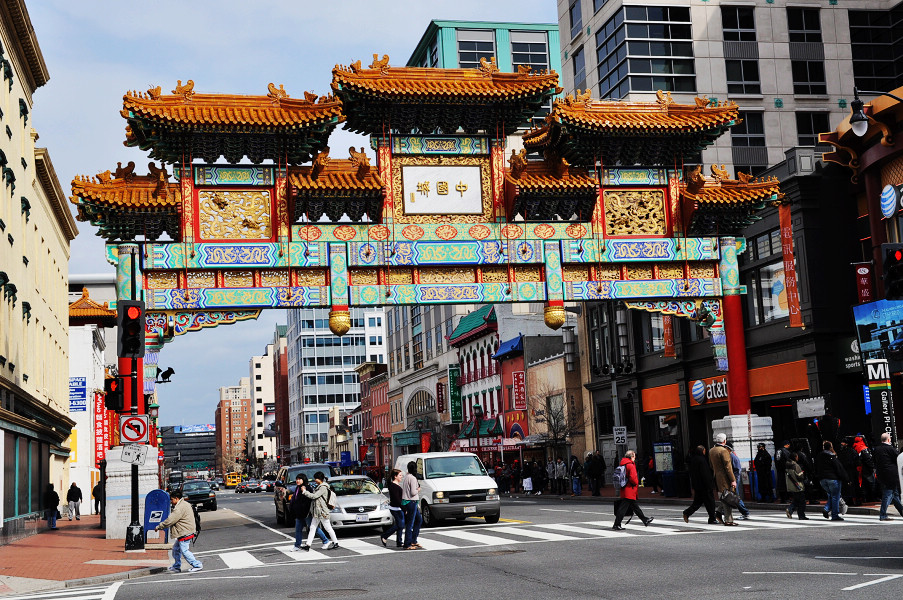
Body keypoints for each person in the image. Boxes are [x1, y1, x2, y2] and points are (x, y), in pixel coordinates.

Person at [154, 489, 202, 572]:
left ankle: (197, 565)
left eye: (172, 499)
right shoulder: (185, 504)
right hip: (186, 531)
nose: (171, 501)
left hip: (184, 532)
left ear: (176, 498)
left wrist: (159, 526)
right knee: (176, 549)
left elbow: (170, 520)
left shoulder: (179, 508)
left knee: (184, 551)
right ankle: (176, 566)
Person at [298, 472, 340, 551]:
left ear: (319, 479)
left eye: (316, 478)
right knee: (312, 527)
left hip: (322, 512)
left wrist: (304, 491)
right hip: (317, 511)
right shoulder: (319, 487)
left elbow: (314, 496)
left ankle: (336, 542)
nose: (315, 480)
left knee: (327, 527)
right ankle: (308, 545)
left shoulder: (323, 487)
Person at [612, 450, 653, 530]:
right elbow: (633, 478)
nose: (635, 458)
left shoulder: (623, 464)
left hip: (625, 489)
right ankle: (616, 524)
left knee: (635, 507)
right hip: (630, 489)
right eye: (634, 456)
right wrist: (636, 483)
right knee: (623, 509)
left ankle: (645, 520)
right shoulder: (630, 465)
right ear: (631, 457)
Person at [290, 473, 327, 550]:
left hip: (306, 513)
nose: (297, 481)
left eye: (299, 479)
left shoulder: (307, 488)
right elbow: (295, 500)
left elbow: (309, 500)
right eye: (297, 479)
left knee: (313, 528)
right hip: (299, 513)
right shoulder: (297, 488)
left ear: (303, 480)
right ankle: (297, 545)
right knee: (298, 530)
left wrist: (305, 510)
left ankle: (325, 540)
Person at [871, 432, 903, 521]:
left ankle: (902, 511)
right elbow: (898, 459)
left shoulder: (876, 449)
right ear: (889, 439)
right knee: (888, 494)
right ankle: (883, 514)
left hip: (881, 474)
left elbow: (873, 461)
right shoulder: (890, 449)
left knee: (895, 495)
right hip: (891, 475)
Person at [682, 445, 717, 524]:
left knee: (698, 502)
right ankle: (712, 518)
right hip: (705, 485)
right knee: (710, 502)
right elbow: (705, 474)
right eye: (704, 450)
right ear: (702, 451)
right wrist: (710, 484)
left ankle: (687, 512)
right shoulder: (702, 460)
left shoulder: (693, 459)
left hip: (697, 485)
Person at [815, 440, 848, 521]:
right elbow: (839, 468)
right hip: (833, 478)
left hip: (822, 479)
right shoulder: (832, 456)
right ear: (830, 447)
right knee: (835, 497)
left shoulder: (819, 457)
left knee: (831, 495)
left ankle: (827, 509)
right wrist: (846, 478)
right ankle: (834, 514)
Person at [710, 433, 737, 526]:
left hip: (716, 476)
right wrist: (733, 480)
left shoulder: (711, 450)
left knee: (724, 496)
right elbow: (728, 467)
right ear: (724, 441)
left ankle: (718, 512)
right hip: (725, 478)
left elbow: (711, 465)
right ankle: (728, 520)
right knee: (727, 498)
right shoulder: (724, 451)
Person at [380, 468, 405, 547]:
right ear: (395, 476)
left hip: (398, 508)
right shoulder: (394, 486)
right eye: (400, 475)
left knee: (400, 525)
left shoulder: (395, 485)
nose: (401, 476)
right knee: (400, 525)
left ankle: (399, 542)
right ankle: (385, 536)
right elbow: (397, 500)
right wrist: (404, 508)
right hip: (395, 508)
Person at [401, 461, 422, 550]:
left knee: (418, 520)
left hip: (408, 502)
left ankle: (413, 540)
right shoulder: (413, 478)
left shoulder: (406, 477)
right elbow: (413, 492)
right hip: (412, 501)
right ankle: (407, 544)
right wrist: (418, 490)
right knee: (411, 523)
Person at [726, 444, 750, 519]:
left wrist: (734, 480)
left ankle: (745, 512)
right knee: (730, 496)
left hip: (734, 480)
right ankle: (722, 512)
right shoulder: (729, 456)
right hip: (731, 480)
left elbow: (737, 470)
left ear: (728, 449)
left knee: (735, 497)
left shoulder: (733, 457)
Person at [837, 437, 861, 506]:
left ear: (846, 444)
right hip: (850, 471)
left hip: (849, 471)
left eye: (843, 442)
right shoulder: (852, 451)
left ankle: (852, 501)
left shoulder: (843, 452)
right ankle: (854, 501)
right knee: (852, 486)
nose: (841, 444)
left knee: (850, 487)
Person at [784, 452, 808, 519]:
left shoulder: (787, 465)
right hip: (797, 485)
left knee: (797, 500)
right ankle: (801, 515)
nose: (798, 458)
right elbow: (800, 477)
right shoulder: (795, 465)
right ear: (795, 457)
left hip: (791, 485)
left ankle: (790, 510)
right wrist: (802, 473)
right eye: (797, 456)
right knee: (802, 501)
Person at [853, 435, 877, 502]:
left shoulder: (854, 448)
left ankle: (864, 498)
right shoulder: (863, 448)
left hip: (859, 469)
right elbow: (868, 459)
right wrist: (872, 467)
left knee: (863, 484)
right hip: (867, 469)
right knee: (872, 483)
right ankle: (872, 498)